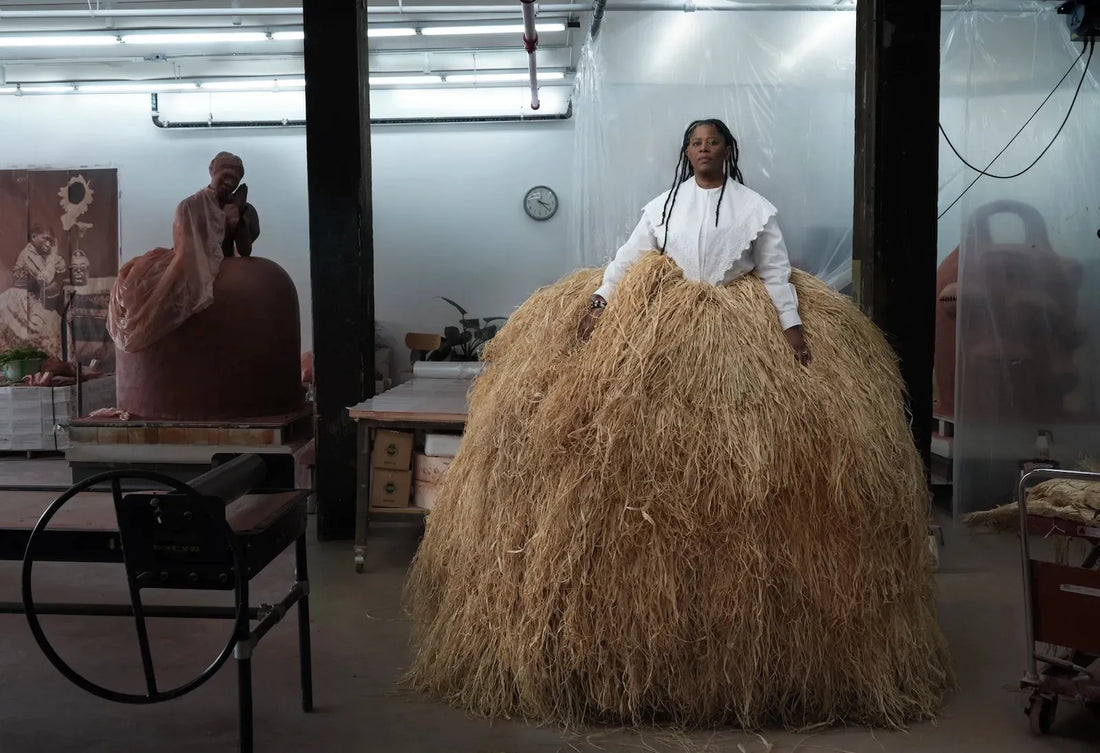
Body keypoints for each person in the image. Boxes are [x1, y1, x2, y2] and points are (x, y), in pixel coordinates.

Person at [578, 118, 811, 366]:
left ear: (727, 151)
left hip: (735, 321)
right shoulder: (663, 207)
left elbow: (775, 270)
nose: (704, 148)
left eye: (713, 142)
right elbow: (630, 257)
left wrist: (790, 324)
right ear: (687, 152)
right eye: (696, 143)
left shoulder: (754, 208)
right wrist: (601, 300)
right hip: (670, 320)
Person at [108, 151, 260, 353]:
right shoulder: (189, 206)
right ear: (212, 171)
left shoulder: (245, 208)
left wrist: (239, 221)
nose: (230, 180)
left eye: (236, 177)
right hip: (192, 258)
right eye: (225, 172)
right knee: (135, 284)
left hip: (226, 260)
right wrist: (221, 222)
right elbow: (188, 249)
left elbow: (245, 249)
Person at [12, 224, 68, 313]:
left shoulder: (42, 252)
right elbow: (45, 280)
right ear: (33, 237)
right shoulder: (27, 254)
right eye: (45, 239)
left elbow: (62, 267)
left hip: (39, 300)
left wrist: (52, 257)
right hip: (23, 303)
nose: (48, 244)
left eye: (50, 241)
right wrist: (53, 256)